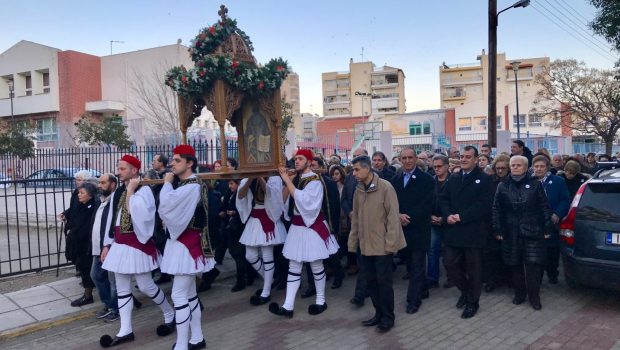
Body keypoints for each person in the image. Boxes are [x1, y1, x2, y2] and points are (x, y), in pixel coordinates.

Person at [99, 155, 175, 348]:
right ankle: (125, 330)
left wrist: (132, 190)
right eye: (119, 168)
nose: (119, 172)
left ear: (134, 170)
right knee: (122, 287)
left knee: (145, 286)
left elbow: (142, 215)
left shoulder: (144, 190)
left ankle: (169, 312)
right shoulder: (119, 192)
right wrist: (107, 244)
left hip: (137, 244)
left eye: (123, 168)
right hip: (120, 244)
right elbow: (113, 219)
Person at [269, 149, 339, 318]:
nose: (296, 161)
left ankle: (321, 300)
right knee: (294, 265)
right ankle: (288, 305)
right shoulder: (297, 179)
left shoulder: (315, 181)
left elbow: (306, 203)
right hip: (298, 227)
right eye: (295, 159)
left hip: (312, 227)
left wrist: (287, 179)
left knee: (315, 264)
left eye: (300, 159)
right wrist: (288, 181)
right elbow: (283, 201)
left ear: (309, 161)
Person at [158, 144, 215, 350]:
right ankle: (197, 338)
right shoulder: (186, 185)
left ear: (190, 163)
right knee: (189, 295)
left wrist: (166, 183)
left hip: (186, 246)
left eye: (177, 160)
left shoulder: (191, 186)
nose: (172, 163)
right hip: (183, 244)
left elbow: (167, 206)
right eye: (172, 160)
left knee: (178, 296)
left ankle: (182, 344)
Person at [348, 155, 405, 333]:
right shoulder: (359, 189)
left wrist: (390, 245)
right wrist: (353, 242)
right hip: (365, 246)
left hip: (382, 247)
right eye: (353, 170)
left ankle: (388, 317)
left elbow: (393, 218)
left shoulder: (385, 187)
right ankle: (378, 314)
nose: (354, 173)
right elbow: (355, 218)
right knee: (371, 283)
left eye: (357, 169)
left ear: (367, 168)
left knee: (384, 284)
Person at [492, 155, 553, 310]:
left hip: (533, 229)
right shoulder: (503, 185)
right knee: (515, 264)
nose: (515, 167)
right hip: (510, 230)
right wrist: (498, 228)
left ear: (526, 168)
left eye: (519, 165)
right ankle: (520, 294)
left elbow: (544, 207)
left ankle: (534, 297)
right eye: (513, 165)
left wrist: (546, 227)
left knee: (533, 265)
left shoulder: (535, 184)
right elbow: (496, 209)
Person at [439, 146, 493, 319]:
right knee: (450, 264)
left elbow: (483, 205)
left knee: (474, 269)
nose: (463, 159)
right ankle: (465, 290)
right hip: (453, 231)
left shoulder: (484, 179)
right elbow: (444, 199)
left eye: (468, 157)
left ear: (476, 159)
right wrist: (447, 215)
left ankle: (472, 302)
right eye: (461, 156)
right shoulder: (453, 178)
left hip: (473, 232)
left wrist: (461, 216)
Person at [391, 148, 435, 314]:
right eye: (404, 158)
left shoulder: (427, 180)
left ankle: (413, 300)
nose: (407, 161)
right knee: (410, 264)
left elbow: (427, 204)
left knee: (417, 265)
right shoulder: (394, 179)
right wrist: (398, 215)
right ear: (400, 160)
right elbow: (391, 202)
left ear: (416, 159)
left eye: (410, 158)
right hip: (401, 230)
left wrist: (407, 216)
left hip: (418, 228)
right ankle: (423, 289)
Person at [237, 174, 286, 306]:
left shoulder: (274, 178)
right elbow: (241, 196)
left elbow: (271, 196)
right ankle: (268, 279)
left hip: (269, 216)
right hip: (254, 218)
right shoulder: (247, 178)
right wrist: (251, 178)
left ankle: (266, 292)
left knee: (267, 255)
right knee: (250, 255)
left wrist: (260, 177)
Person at [532, 155, 571, 285]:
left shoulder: (558, 181)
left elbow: (565, 200)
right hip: (534, 222)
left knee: (552, 250)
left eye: (542, 166)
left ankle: (552, 273)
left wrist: (558, 214)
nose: (539, 169)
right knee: (537, 250)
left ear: (547, 167)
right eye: (536, 166)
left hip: (552, 221)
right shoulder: (529, 181)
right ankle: (538, 275)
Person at [341, 147, 370, 306]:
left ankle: (366, 291)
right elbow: (344, 198)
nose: (356, 159)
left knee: (370, 262)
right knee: (362, 260)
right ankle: (361, 293)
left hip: (373, 229)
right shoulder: (350, 178)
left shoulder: (378, 180)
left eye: (359, 157)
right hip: (356, 226)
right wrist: (350, 212)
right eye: (354, 157)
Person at [90, 174, 120, 321]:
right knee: (96, 275)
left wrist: (107, 245)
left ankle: (115, 309)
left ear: (113, 184)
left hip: (109, 247)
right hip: (98, 248)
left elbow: (111, 226)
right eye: (99, 183)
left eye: (103, 183)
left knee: (113, 280)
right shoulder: (101, 200)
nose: (99, 185)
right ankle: (109, 304)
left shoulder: (115, 201)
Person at [482, 155, 511, 293]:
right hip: (491, 223)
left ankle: (508, 279)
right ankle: (491, 280)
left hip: (509, 223)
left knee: (508, 252)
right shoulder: (489, 182)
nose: (500, 171)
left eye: (503, 168)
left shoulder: (512, 182)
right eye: (497, 168)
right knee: (491, 254)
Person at [68, 182, 99, 307]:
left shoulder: (94, 207)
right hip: (79, 242)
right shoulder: (80, 205)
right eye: (79, 192)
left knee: (88, 269)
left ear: (90, 195)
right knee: (83, 268)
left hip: (88, 244)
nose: (79, 195)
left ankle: (88, 295)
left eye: (82, 193)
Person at [428, 155, 450, 289]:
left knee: (450, 252)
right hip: (433, 220)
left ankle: (452, 277)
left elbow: (456, 202)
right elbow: (424, 201)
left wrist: (445, 217)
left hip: (449, 222)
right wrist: (430, 216)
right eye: (434, 166)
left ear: (447, 166)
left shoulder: (454, 181)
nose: (436, 169)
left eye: (439, 166)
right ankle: (432, 278)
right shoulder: (430, 182)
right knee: (432, 250)